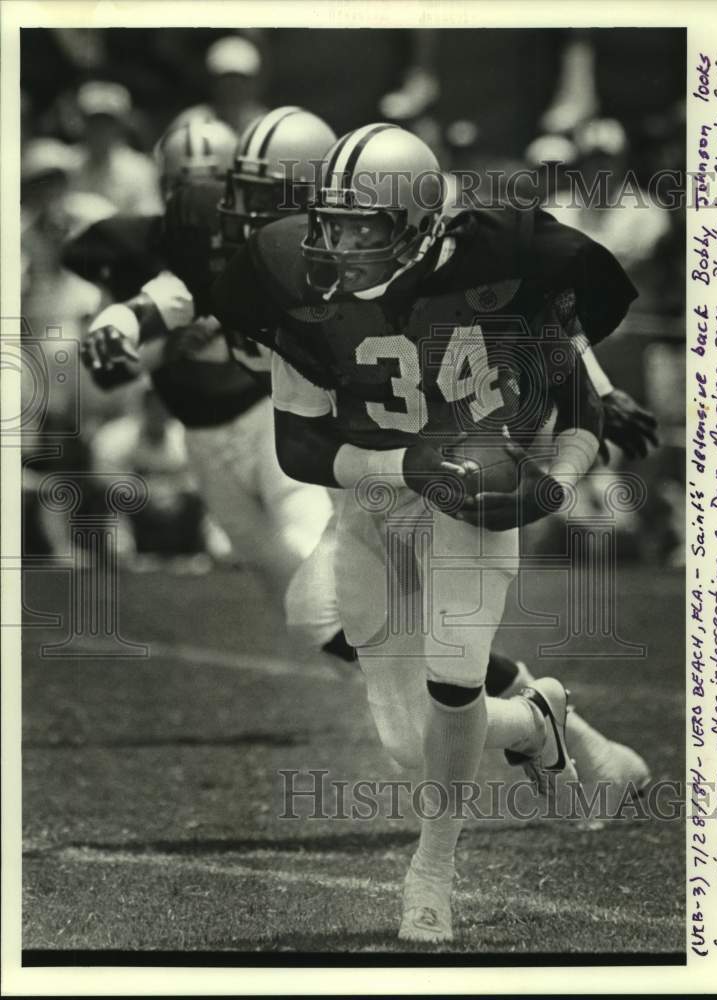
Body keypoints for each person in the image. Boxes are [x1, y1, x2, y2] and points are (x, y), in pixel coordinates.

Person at [210, 124, 650, 942]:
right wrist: (406, 469)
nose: (333, 243)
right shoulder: (288, 278)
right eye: (327, 222)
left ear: (415, 223)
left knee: (450, 690)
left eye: (358, 227)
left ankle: (432, 876)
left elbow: (574, 366)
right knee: (407, 741)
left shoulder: (508, 255)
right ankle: (535, 721)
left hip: (471, 497)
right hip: (375, 500)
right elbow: (299, 446)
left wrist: (557, 473)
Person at [75, 109, 336, 577]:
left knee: (314, 557)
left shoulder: (297, 250)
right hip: (200, 433)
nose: (198, 201)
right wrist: (150, 340)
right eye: (181, 186)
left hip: (286, 421)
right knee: (283, 580)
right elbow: (115, 356)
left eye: (214, 184)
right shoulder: (147, 248)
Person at [70, 81, 163, 216]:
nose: (100, 130)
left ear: (121, 126)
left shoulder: (141, 170)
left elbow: (147, 223)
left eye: (108, 123)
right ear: (82, 124)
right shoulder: (67, 164)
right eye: (94, 122)